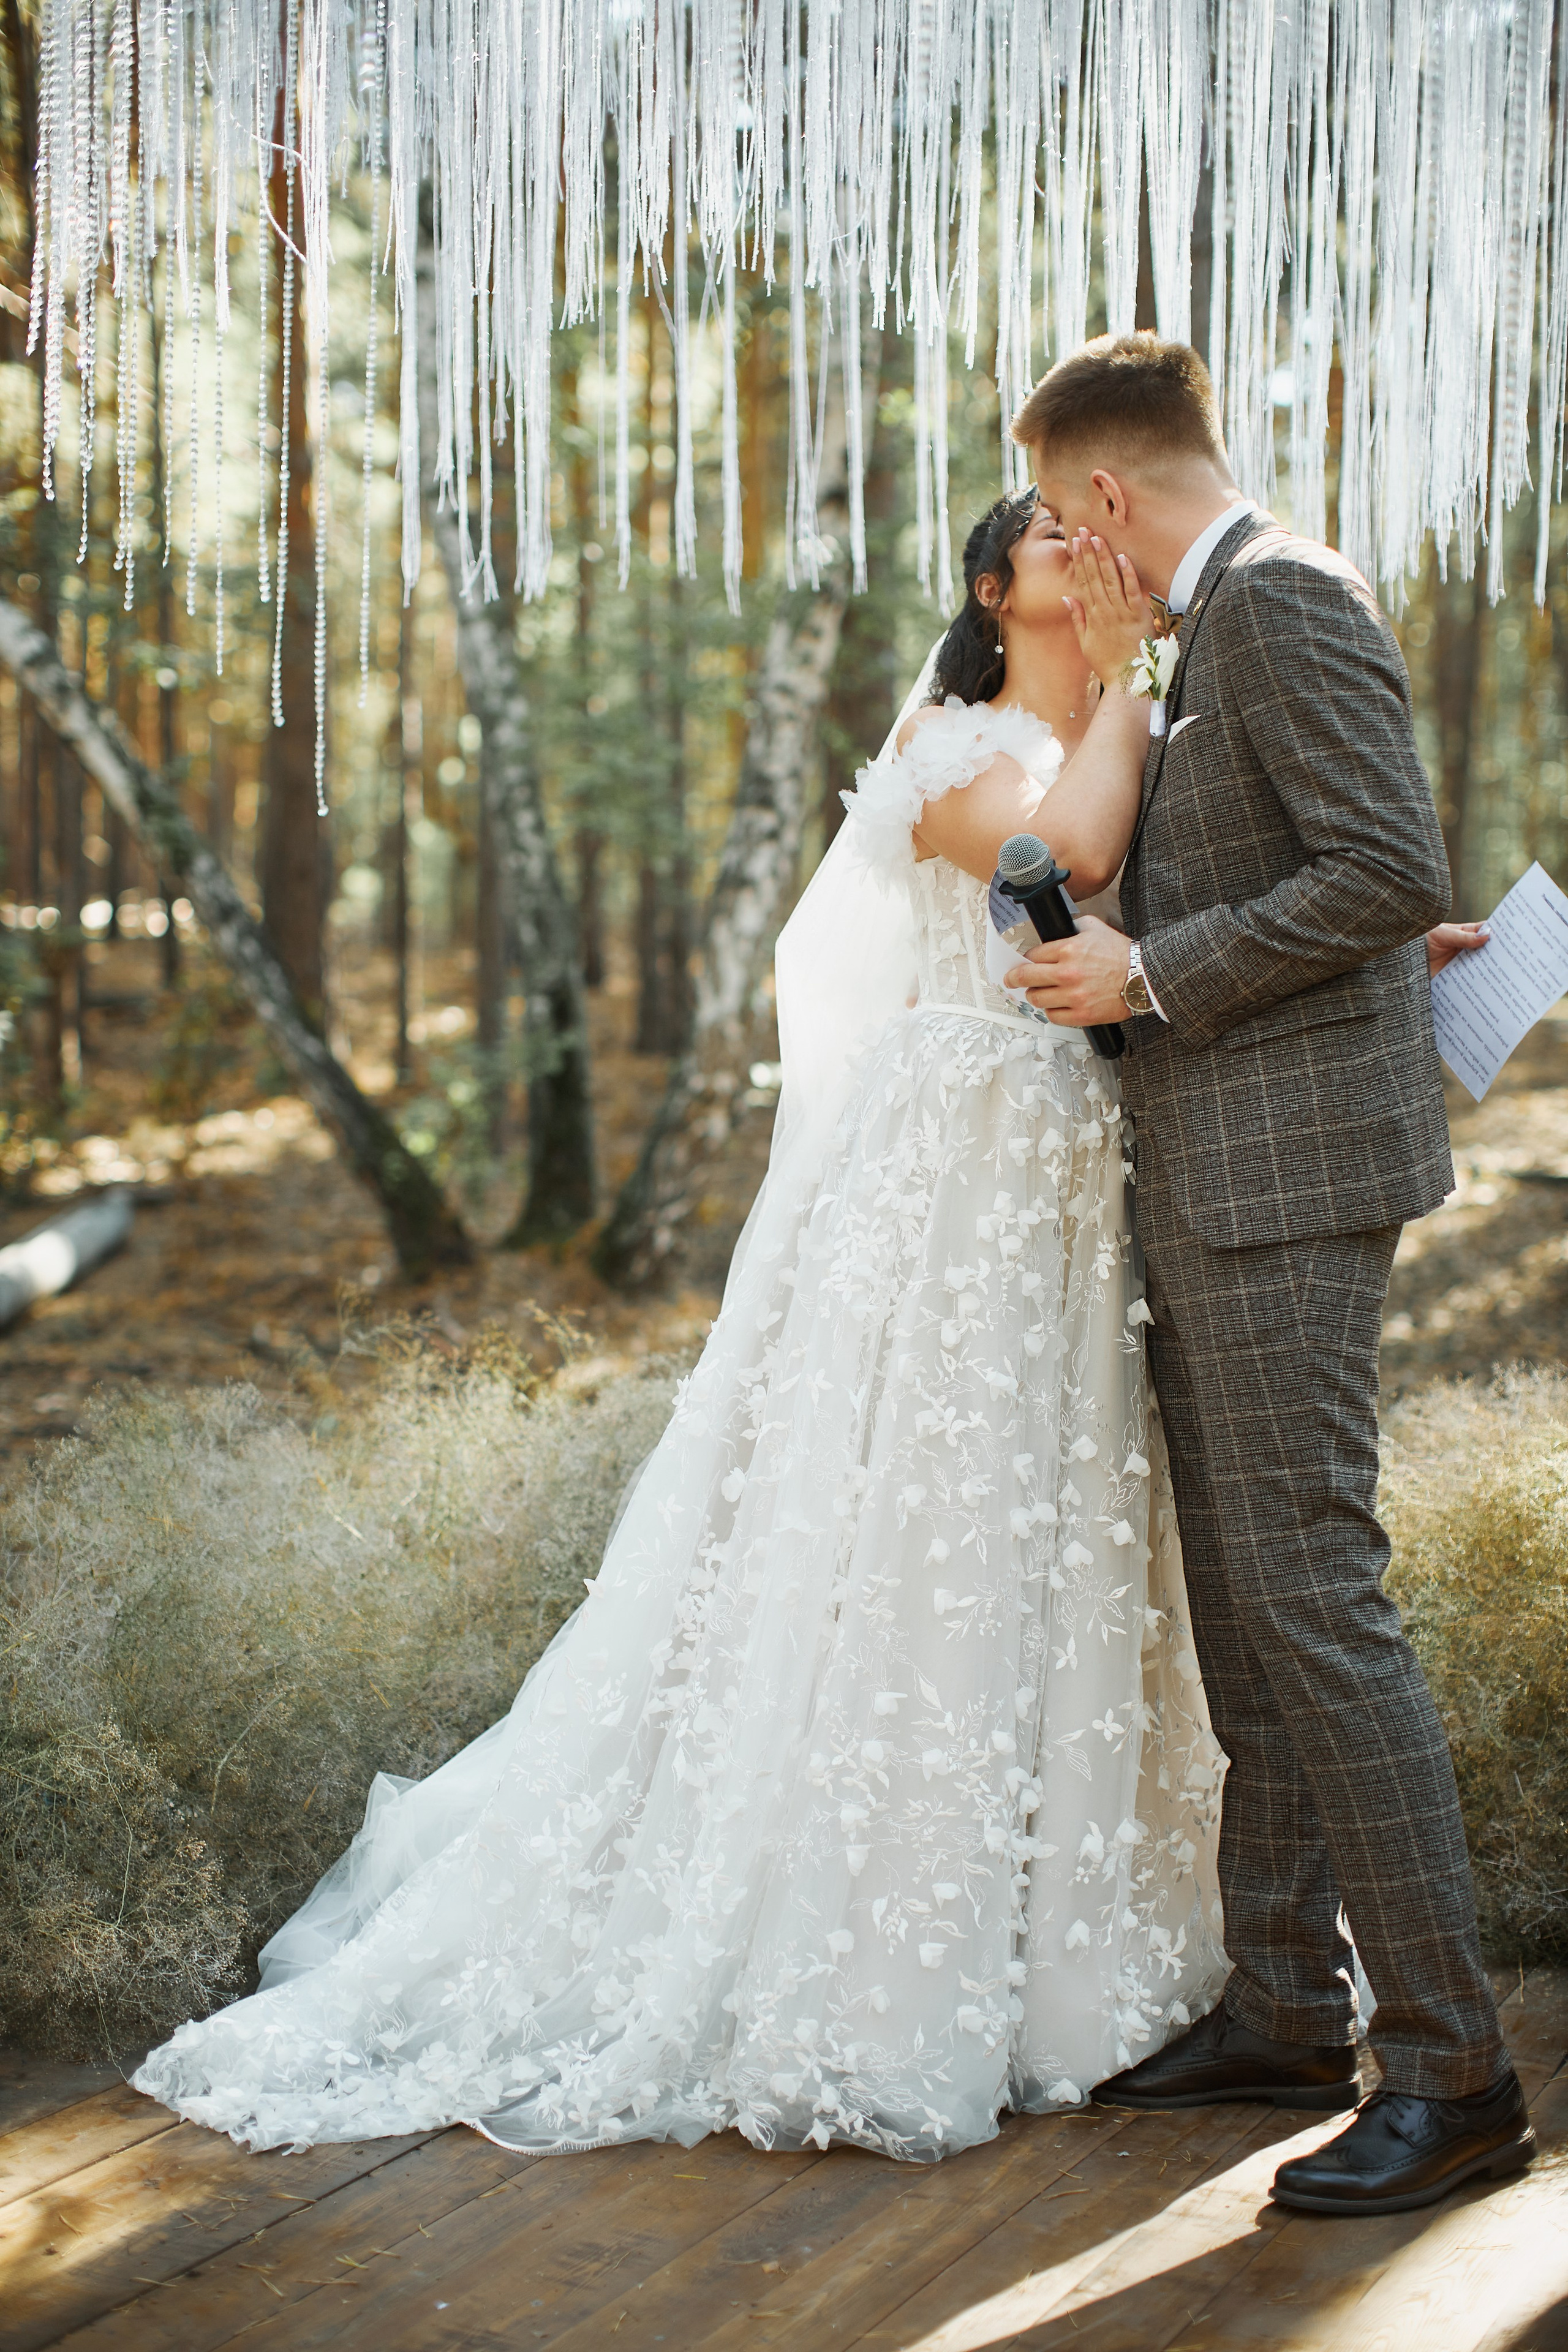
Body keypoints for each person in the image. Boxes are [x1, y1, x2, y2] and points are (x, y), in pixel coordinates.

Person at [135, 493, 1235, 2163]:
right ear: (991, 583)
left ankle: (1057, 1955)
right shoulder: (950, 748)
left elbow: (1132, 921)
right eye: (1050, 547)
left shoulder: (1106, 730)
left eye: (1104, 544)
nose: (1087, 562)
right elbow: (1064, 862)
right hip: (955, 1172)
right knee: (921, 1520)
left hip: (1075, 1172)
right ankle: (869, 1954)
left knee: (1047, 1522)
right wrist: (1130, 672)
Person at [1006, 331, 1532, 2217]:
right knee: (1248, 1608)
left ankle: (1458, 2069)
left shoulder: (1285, 597)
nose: (1081, 560)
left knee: (1317, 1603)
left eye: (1076, 525)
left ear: (1106, 499)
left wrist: (1153, 973)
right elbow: (1352, 882)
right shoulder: (1211, 623)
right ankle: (1286, 2003)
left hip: (1288, 1182)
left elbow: (1385, 861)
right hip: (1219, 1166)